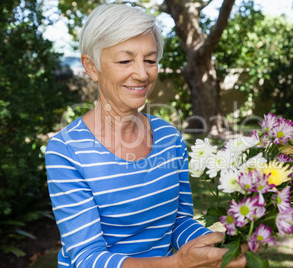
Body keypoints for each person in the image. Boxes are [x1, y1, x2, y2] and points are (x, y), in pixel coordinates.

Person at [45, 3, 247, 268]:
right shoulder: (66, 150)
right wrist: (176, 264)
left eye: (150, 60)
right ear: (91, 66)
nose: (142, 74)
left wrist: (219, 246)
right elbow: (86, 257)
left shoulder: (168, 137)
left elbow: (178, 221)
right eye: (125, 60)